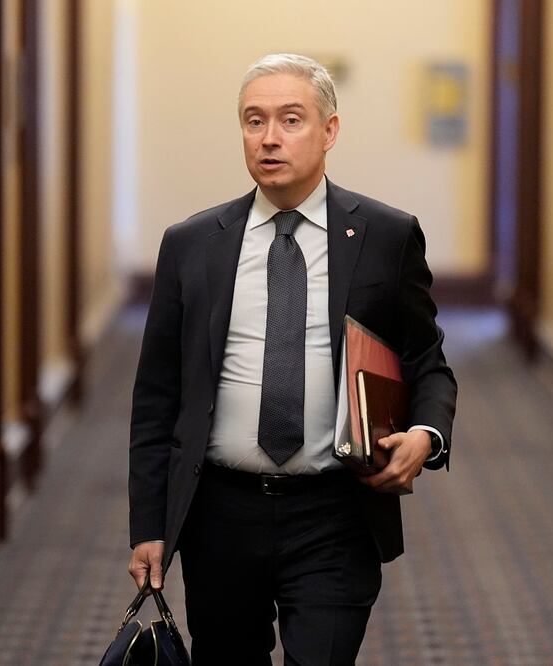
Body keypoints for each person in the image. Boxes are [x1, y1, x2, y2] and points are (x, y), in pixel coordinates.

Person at [127, 53, 457, 665]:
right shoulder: (192, 245)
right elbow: (157, 399)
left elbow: (426, 360)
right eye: (254, 121)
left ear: (330, 131)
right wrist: (149, 524)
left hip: (334, 509)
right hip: (220, 512)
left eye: (290, 119)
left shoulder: (385, 236)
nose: (270, 137)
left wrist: (427, 435)